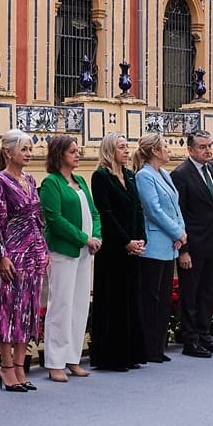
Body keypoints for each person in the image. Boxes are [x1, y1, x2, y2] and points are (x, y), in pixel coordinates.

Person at [0, 130, 49, 391]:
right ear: (9, 152)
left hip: (33, 250)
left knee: (29, 310)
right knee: (10, 310)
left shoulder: (30, 179)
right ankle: (6, 366)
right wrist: (1, 256)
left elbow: (37, 218)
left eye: (30, 149)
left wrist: (43, 249)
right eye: (24, 149)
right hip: (13, 252)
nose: (29, 154)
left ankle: (21, 366)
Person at [39, 135, 102, 382]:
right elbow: (54, 220)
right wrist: (83, 238)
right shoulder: (50, 183)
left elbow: (95, 213)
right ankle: (55, 362)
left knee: (79, 305)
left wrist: (96, 236)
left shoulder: (80, 181)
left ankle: (73, 358)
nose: (78, 154)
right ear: (59, 155)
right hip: (64, 251)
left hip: (86, 253)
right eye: (72, 151)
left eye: (78, 150)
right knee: (61, 305)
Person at [88, 132, 147, 371]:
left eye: (127, 146)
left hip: (133, 247)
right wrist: (125, 241)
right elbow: (106, 213)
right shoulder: (101, 176)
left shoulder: (130, 175)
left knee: (131, 299)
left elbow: (138, 209)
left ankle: (131, 353)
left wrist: (140, 239)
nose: (126, 151)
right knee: (114, 300)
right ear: (110, 150)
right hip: (113, 249)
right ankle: (112, 356)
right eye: (121, 147)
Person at [171, 129, 213, 358]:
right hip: (191, 247)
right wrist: (183, 250)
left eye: (209, 146)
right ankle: (190, 340)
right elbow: (179, 214)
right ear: (190, 150)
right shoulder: (181, 174)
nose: (208, 151)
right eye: (203, 147)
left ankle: (205, 335)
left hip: (210, 243)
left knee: (207, 293)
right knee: (191, 295)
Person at [133, 133, 187, 363]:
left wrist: (181, 233)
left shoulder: (164, 174)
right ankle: (148, 347)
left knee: (164, 297)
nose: (169, 149)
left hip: (171, 243)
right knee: (151, 297)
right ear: (154, 151)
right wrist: (176, 232)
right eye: (165, 146)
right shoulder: (144, 176)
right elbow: (153, 210)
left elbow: (175, 205)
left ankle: (159, 346)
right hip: (155, 244)